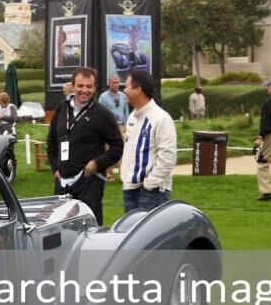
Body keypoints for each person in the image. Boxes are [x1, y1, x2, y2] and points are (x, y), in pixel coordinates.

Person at [46, 67, 123, 224]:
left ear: (95, 88)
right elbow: (52, 141)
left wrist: (97, 163)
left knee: (89, 229)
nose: (84, 90)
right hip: (62, 182)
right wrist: (55, 168)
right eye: (80, 85)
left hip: (89, 182)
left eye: (89, 86)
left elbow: (117, 146)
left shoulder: (102, 114)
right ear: (73, 86)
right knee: (62, 228)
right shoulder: (62, 108)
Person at [120, 70, 177, 212]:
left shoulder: (161, 118)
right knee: (131, 227)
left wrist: (149, 185)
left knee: (151, 228)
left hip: (152, 192)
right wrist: (126, 179)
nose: (124, 90)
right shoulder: (132, 117)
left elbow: (168, 157)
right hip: (130, 190)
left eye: (127, 86)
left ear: (138, 89)